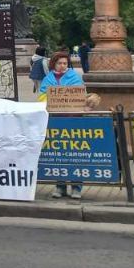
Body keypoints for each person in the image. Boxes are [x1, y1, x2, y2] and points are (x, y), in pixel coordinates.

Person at [41, 51, 86, 200]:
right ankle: (60, 186)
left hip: (73, 120)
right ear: (53, 64)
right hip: (55, 120)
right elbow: (42, 96)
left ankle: (76, 187)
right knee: (59, 154)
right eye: (59, 63)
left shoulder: (74, 77)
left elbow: (79, 96)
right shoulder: (47, 79)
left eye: (65, 63)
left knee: (74, 154)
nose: (62, 66)